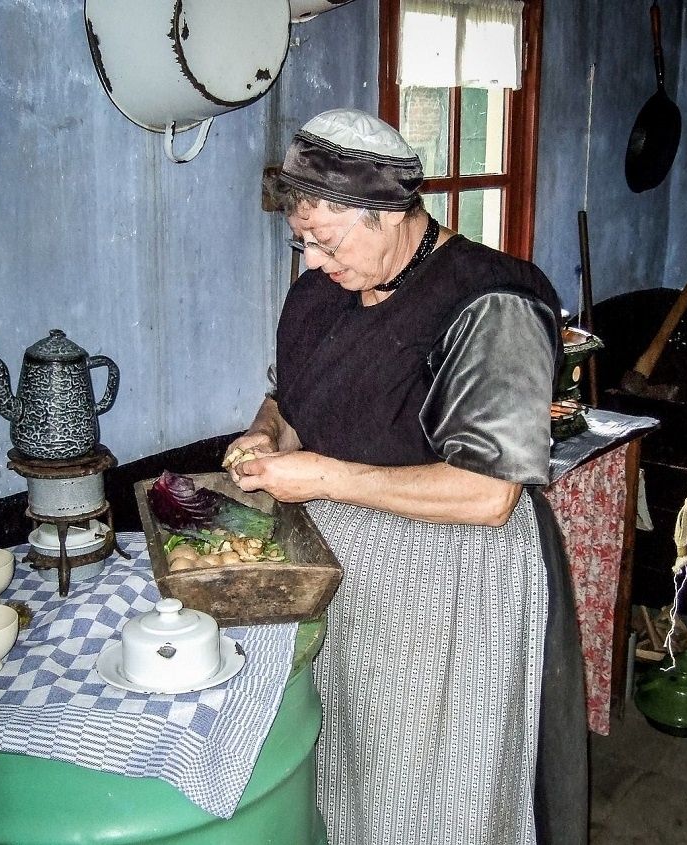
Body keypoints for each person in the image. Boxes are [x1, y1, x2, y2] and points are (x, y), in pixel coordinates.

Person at [224, 108, 588, 845]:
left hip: (449, 581)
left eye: (326, 240)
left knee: (428, 790)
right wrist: (268, 431)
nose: (315, 262)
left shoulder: (493, 300)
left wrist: (321, 475)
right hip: (341, 578)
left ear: (390, 214)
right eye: (303, 241)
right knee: (345, 767)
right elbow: (296, 394)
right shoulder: (322, 289)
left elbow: (487, 494)